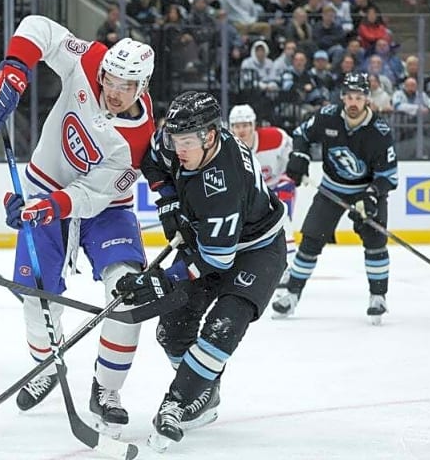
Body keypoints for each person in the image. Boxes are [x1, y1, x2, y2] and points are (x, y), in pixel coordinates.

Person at [0, 15, 156, 437]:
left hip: (106, 210)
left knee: (127, 292)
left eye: (126, 85)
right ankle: (45, 365)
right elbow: (38, 28)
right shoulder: (90, 59)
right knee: (34, 299)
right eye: (111, 80)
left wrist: (50, 207)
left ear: (142, 86)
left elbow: (93, 194)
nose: (113, 91)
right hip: (45, 188)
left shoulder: (137, 138)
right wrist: (14, 72)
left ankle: (107, 388)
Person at [114, 91, 287, 452]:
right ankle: (204, 390)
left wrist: (165, 279)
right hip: (209, 242)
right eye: (174, 139)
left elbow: (216, 261)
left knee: (222, 328)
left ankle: (178, 402)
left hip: (256, 251)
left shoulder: (224, 181)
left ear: (210, 136)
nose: (178, 149)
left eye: (187, 143)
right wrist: (168, 201)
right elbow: (152, 161)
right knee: (172, 329)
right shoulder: (179, 140)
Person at [271, 72, 398, 324]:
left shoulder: (380, 132)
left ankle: (378, 297)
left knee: (375, 241)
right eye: (349, 97)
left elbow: (388, 176)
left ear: (367, 99)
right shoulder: (327, 116)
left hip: (366, 190)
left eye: (358, 98)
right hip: (332, 189)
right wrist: (300, 156)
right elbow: (301, 134)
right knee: (310, 241)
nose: (353, 102)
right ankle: (292, 295)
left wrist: (371, 196)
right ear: (342, 97)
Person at [228, 104, 296, 294]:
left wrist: (292, 173)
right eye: (237, 126)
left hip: (278, 186)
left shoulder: (276, 138)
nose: (241, 130)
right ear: (231, 128)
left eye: (245, 125)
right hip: (253, 195)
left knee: (283, 223)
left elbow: (293, 158)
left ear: (253, 125)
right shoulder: (228, 148)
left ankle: (288, 266)